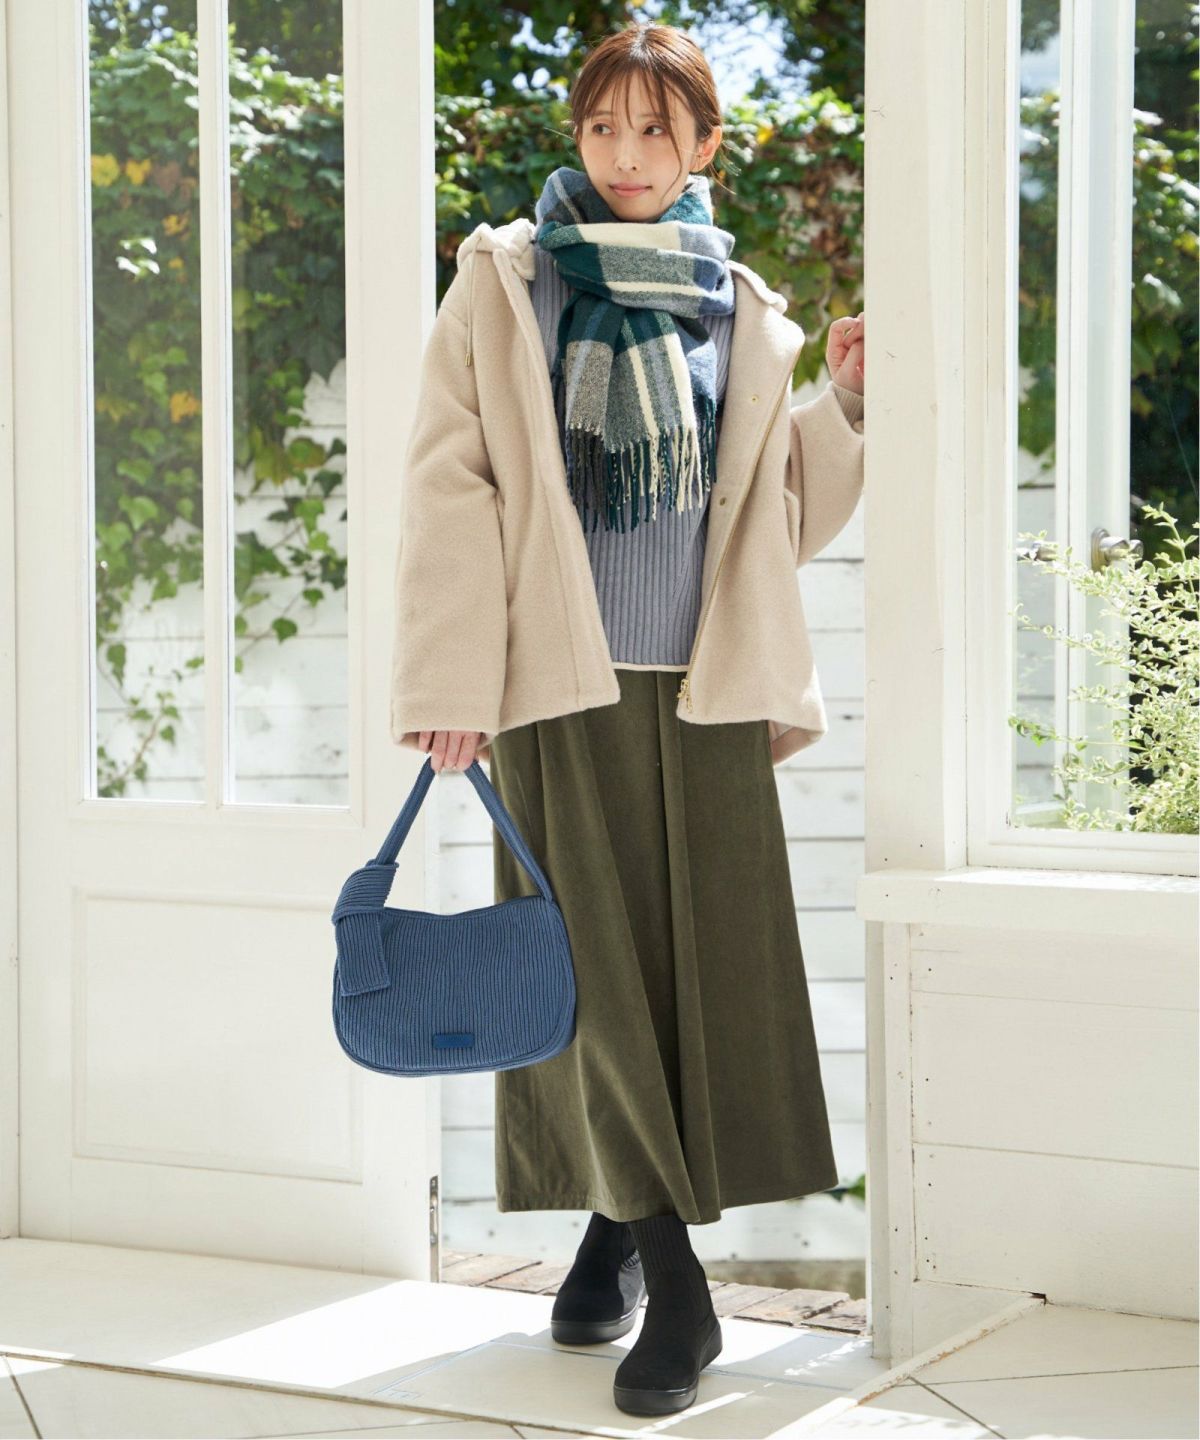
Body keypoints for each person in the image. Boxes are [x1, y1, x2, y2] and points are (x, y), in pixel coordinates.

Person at [390, 21, 865, 1418]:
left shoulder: (737, 303)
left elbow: (775, 514)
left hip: (706, 686)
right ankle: (682, 1285)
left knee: (689, 979)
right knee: (586, 972)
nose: (628, 154)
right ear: (579, 134)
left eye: (658, 129)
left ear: (704, 145)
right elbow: (450, 484)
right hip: (557, 685)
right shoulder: (509, 280)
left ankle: (606, 1247)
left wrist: (846, 403)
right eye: (605, 126)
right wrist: (450, 685)